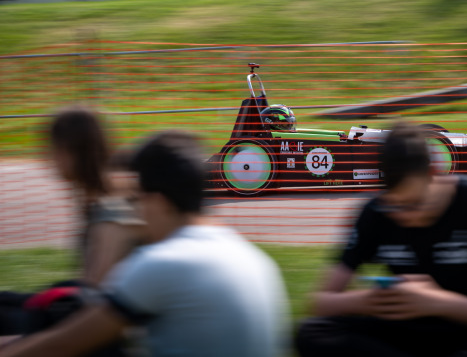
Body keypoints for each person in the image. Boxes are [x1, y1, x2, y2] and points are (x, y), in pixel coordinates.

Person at [1, 130, 289, 357]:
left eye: (138, 198)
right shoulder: (256, 259)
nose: (136, 210)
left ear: (159, 201)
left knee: (66, 312)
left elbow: (63, 344)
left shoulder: (162, 262)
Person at [295, 122, 467, 357]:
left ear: (433, 173)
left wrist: (440, 302)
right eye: (396, 206)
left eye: (416, 203)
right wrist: (371, 299)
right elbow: (322, 302)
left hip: (462, 330)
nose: (408, 217)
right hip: (400, 329)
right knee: (312, 332)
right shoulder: (375, 212)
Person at [0, 105, 143, 336]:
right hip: (91, 308)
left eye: (50, 149)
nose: (45, 158)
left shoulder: (112, 210)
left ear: (70, 152)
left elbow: (95, 297)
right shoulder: (97, 199)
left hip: (110, 330)